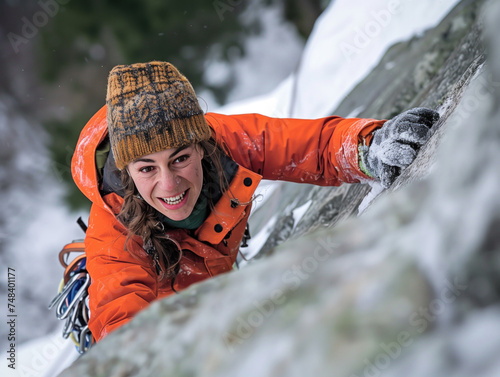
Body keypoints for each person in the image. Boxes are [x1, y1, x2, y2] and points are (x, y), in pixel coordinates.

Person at [71, 61, 439, 342]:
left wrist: (367, 147)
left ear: (201, 146)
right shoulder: (113, 232)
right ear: (127, 171)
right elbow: (121, 323)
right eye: (147, 168)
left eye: (180, 158)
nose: (169, 185)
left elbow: (307, 146)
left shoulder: (226, 141)